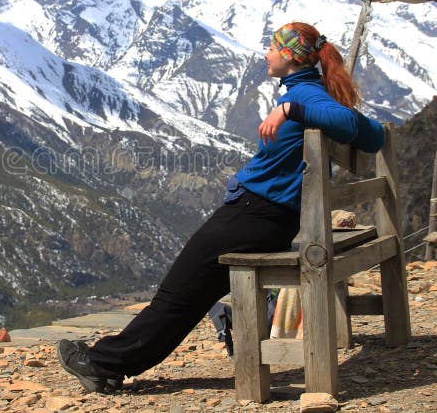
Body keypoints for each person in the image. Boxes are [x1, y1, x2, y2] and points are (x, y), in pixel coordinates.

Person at [57, 21, 386, 393]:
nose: (266, 53)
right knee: (191, 290)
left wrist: (291, 109)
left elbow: (348, 123)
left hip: (254, 214)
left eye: (273, 47)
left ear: (291, 57)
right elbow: (375, 135)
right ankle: (113, 361)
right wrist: (293, 107)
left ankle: (103, 365)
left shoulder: (305, 97)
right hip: (265, 216)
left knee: (178, 295)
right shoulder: (312, 90)